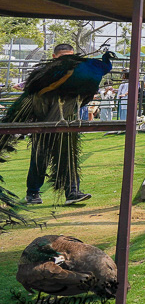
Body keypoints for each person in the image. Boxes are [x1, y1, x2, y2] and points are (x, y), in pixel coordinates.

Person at [25, 43, 92, 206]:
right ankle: (32, 192)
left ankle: (72, 192)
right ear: (54, 57)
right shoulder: (40, 73)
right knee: (40, 157)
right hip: (43, 122)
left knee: (69, 156)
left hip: (68, 122)